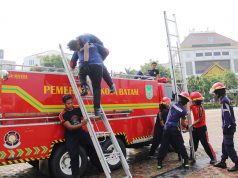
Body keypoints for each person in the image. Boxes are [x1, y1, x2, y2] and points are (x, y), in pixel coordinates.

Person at [59, 94, 101, 178]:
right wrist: (82, 123)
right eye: (68, 103)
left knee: (92, 148)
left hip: (81, 133)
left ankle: (100, 167)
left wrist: (95, 118)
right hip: (71, 136)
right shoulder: (62, 114)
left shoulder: (78, 109)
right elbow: (70, 127)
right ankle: (76, 175)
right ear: (64, 104)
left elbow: (86, 118)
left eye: (71, 102)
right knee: (74, 155)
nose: (70, 105)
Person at [67, 34, 108, 116]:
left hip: (100, 49)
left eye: (76, 48)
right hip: (95, 61)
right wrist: (72, 66)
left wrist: (85, 63)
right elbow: (76, 55)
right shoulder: (79, 46)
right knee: (94, 85)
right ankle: (85, 89)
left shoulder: (84, 38)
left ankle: (96, 107)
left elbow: (86, 48)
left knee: (95, 86)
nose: (77, 50)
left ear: (77, 43)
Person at [157, 92, 190, 169]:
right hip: (174, 129)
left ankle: (159, 163)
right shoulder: (183, 111)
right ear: (185, 102)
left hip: (166, 128)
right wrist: (188, 127)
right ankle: (186, 161)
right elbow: (183, 123)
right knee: (180, 144)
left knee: (164, 145)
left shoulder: (172, 104)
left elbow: (169, 103)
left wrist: (172, 97)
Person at [210, 82, 238, 172]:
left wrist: (226, 127)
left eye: (215, 92)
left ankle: (237, 163)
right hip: (228, 127)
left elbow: (227, 116)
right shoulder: (224, 99)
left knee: (229, 146)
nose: (214, 94)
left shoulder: (224, 101)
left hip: (229, 128)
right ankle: (223, 162)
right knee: (224, 145)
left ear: (218, 92)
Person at [190, 91, 217, 164]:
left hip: (202, 128)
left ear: (196, 101)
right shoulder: (192, 106)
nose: (192, 102)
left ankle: (213, 158)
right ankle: (191, 157)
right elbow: (186, 111)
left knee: (205, 144)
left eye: (193, 101)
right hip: (195, 129)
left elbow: (200, 119)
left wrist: (191, 125)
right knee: (192, 143)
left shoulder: (200, 108)